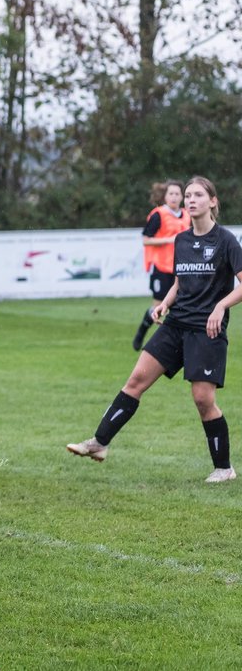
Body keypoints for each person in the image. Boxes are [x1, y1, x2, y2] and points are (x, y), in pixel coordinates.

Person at [69, 176, 242, 482]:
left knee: (203, 399)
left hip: (206, 330)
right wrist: (164, 303)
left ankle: (224, 468)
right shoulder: (182, 240)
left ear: (213, 201)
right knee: (136, 380)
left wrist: (220, 306)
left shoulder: (226, 241)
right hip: (176, 324)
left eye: (198, 195)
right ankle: (99, 443)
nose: (190, 200)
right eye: (187, 195)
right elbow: (179, 282)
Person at [133, 180, 190, 350]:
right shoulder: (158, 215)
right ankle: (142, 331)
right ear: (165, 196)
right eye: (170, 193)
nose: (173, 197)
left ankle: (177, 343)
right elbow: (146, 240)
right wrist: (169, 240)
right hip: (161, 268)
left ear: (182, 196)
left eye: (177, 194)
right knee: (158, 306)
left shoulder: (188, 215)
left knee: (181, 306)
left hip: (181, 269)